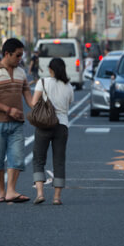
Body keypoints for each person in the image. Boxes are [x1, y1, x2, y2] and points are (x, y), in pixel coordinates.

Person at [0, 38, 34, 203]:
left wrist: (38, 109)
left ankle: (11, 190)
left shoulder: (21, 72)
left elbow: (27, 94)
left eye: (21, 55)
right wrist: (8, 110)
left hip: (17, 123)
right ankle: (2, 191)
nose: (20, 59)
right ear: (7, 54)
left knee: (17, 157)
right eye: (18, 55)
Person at [32, 58, 74, 205]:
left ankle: (40, 193)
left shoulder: (43, 82)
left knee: (38, 159)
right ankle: (57, 197)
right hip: (62, 125)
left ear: (51, 69)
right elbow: (69, 103)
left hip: (44, 124)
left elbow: (33, 103)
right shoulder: (68, 86)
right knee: (59, 161)